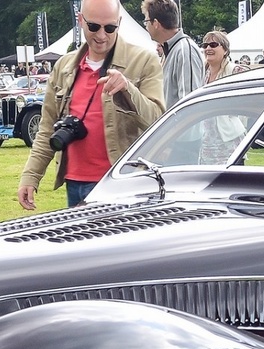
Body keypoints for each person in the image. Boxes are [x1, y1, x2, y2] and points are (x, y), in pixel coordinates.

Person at [18, 0, 165, 209]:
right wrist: (30, 176)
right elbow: (47, 128)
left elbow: (157, 120)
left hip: (121, 185)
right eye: (94, 26)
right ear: (81, 20)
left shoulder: (144, 61)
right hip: (74, 183)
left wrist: (127, 89)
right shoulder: (64, 67)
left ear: (119, 23)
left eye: (110, 27)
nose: (102, 35)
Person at [142, 0, 203, 109]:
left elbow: (189, 105)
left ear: (155, 23)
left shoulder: (184, 51)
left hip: (181, 125)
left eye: (146, 21)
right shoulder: (171, 49)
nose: (146, 27)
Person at [198, 32, 244, 164]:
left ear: (225, 50)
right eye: (205, 45)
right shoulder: (203, 73)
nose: (208, 49)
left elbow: (243, 104)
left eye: (213, 44)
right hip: (206, 141)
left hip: (228, 141)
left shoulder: (235, 71)